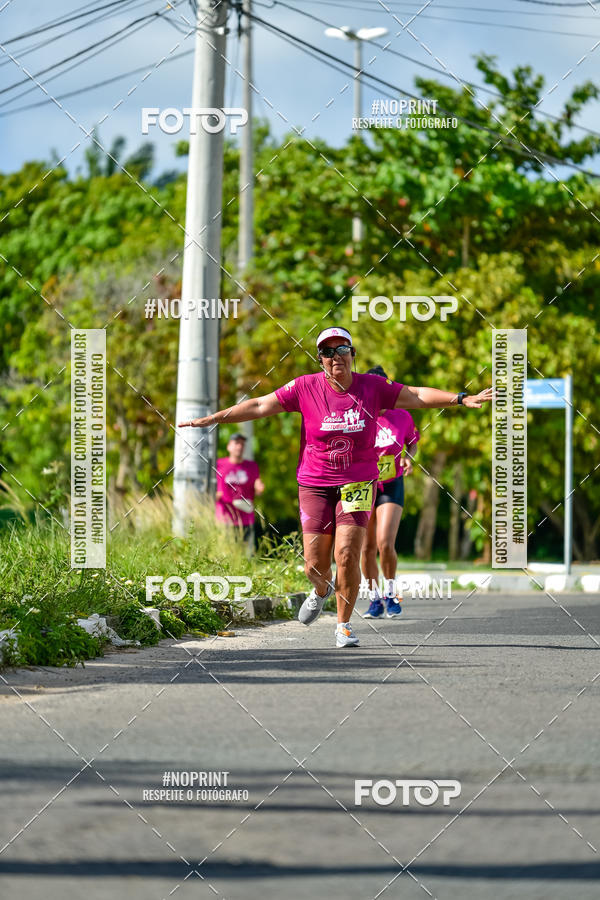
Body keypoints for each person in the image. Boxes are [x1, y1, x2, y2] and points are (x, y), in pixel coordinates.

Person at [179, 326, 492, 648]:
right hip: (314, 483)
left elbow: (415, 395)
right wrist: (214, 418)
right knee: (314, 565)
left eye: (342, 349)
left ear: (353, 354)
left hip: (358, 481)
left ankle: (343, 626)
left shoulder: (372, 387)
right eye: (327, 352)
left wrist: (461, 398)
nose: (335, 357)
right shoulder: (304, 387)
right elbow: (259, 405)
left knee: (347, 554)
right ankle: (320, 590)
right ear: (320, 360)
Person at [361, 366, 420, 619]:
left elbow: (412, 444)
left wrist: (408, 457)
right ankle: (374, 599)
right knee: (366, 548)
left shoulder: (402, 416)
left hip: (391, 483)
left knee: (385, 543)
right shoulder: (357, 415)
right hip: (361, 485)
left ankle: (392, 593)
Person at [215, 433, 264, 545]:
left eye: (242, 444)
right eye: (236, 443)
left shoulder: (251, 466)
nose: (240, 446)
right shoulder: (218, 465)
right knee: (224, 552)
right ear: (228, 446)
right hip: (224, 516)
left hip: (245, 517)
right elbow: (211, 485)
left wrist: (259, 487)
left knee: (242, 553)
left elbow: (257, 482)